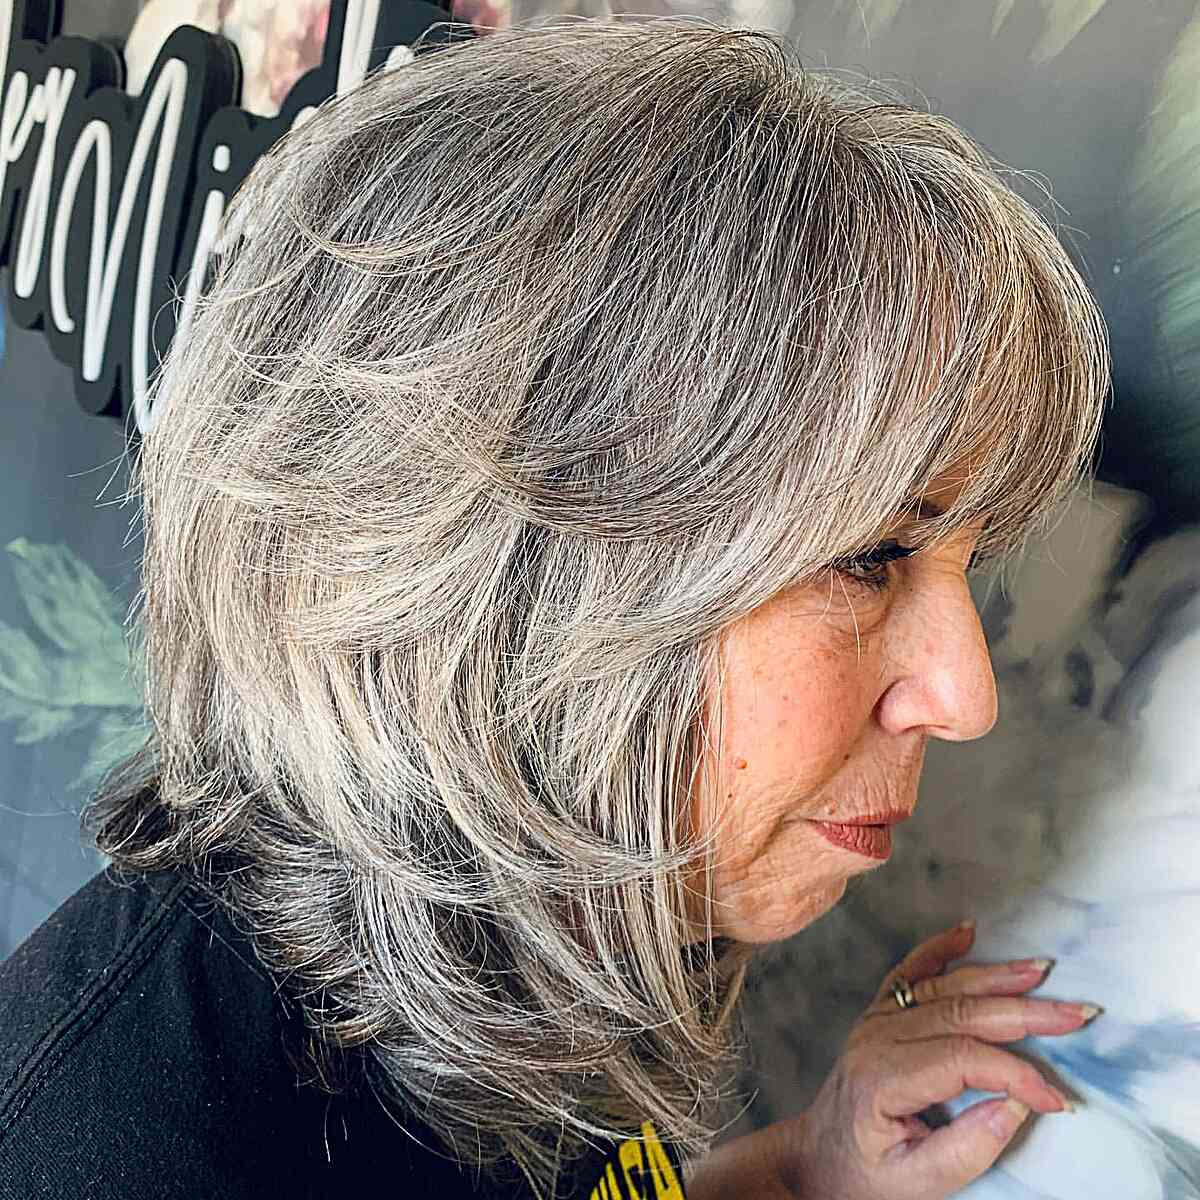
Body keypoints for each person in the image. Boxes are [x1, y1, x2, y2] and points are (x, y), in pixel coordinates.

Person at [0, 14, 1111, 1200]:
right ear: (509, 580)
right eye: (872, 557)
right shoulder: (120, 1157)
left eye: (966, 564)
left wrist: (810, 1163)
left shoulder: (545, 930)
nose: (965, 696)